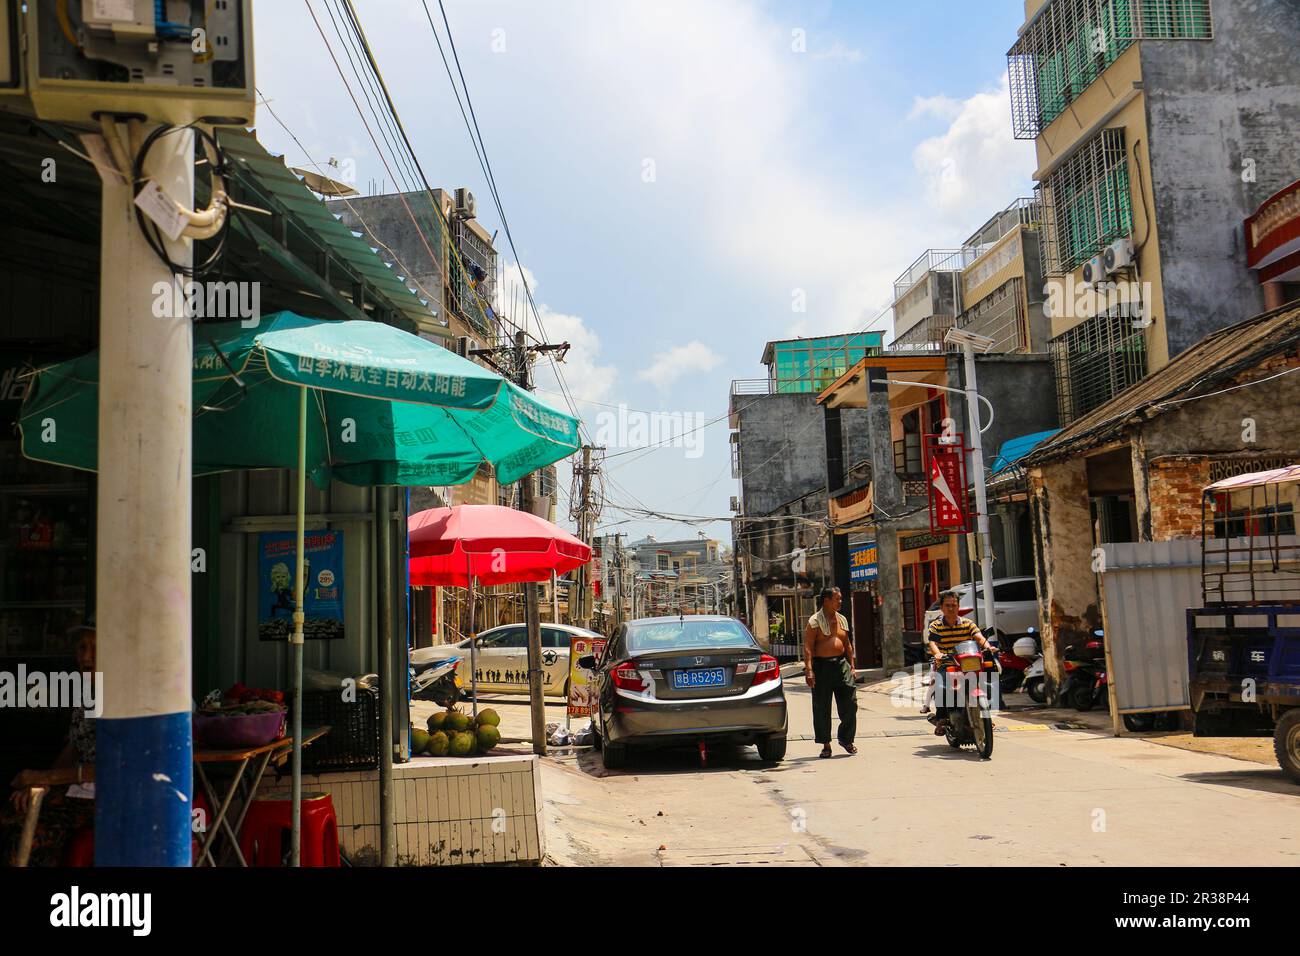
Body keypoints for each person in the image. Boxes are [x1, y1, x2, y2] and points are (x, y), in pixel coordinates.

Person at [2, 622, 97, 866]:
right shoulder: (88, 692)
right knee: (11, 811)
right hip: (78, 792)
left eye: (96, 648)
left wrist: (47, 778)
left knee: (28, 835)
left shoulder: (126, 698)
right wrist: (42, 784)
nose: (86, 656)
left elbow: (114, 769)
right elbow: (75, 745)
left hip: (112, 800)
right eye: (82, 647)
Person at [925, 591, 994, 735]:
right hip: (947, 664)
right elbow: (932, 643)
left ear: (958, 606)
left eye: (954, 605)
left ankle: (985, 716)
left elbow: (979, 637)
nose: (951, 608)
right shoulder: (936, 625)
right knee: (942, 687)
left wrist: (988, 647)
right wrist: (937, 653)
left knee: (987, 685)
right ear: (942, 608)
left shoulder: (968, 624)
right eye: (947, 605)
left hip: (968, 662)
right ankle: (942, 719)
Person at [804, 587, 857, 758]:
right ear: (826, 600)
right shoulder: (814, 621)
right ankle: (826, 744)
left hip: (841, 665)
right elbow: (808, 648)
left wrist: (852, 666)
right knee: (822, 708)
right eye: (837, 599)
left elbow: (848, 645)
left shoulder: (842, 620)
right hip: (821, 667)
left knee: (850, 703)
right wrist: (809, 671)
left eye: (841, 599)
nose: (840, 602)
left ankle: (846, 739)